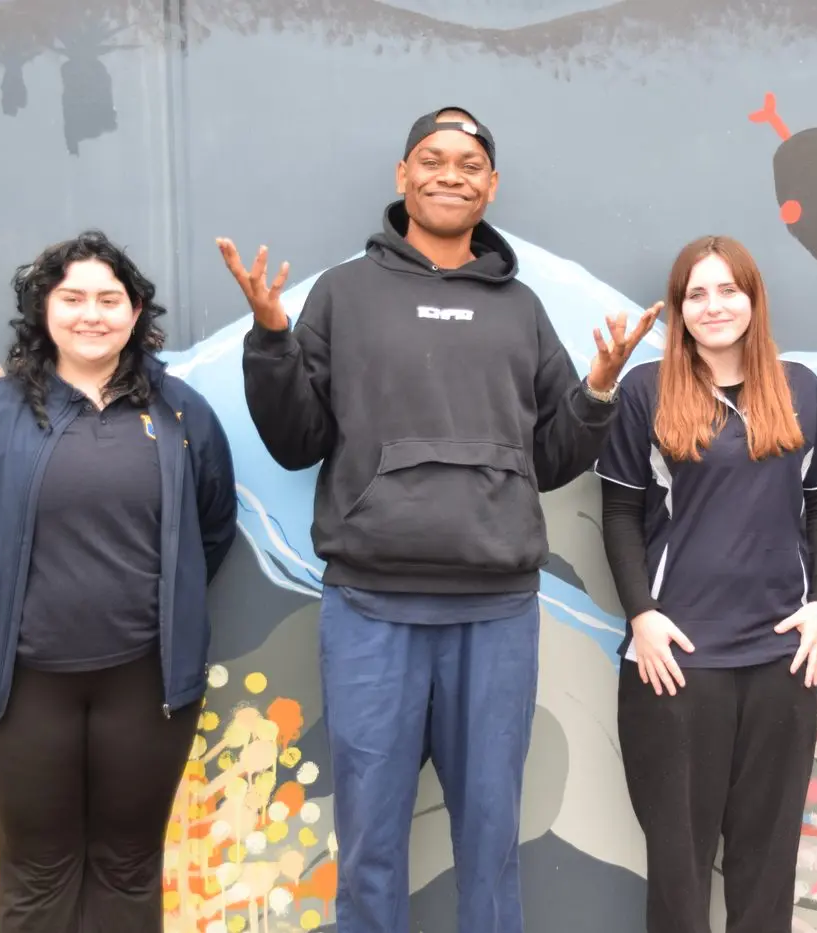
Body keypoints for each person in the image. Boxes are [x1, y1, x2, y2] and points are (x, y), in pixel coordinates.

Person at [218, 107, 658, 933]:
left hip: (494, 612)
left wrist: (597, 389)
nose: (449, 174)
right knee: (370, 841)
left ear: (490, 186)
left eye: (467, 163)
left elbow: (553, 458)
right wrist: (272, 338)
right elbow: (295, 440)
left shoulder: (520, 308)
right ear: (402, 175)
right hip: (371, 609)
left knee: (490, 842)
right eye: (432, 159)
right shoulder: (343, 293)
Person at [0, 231, 238, 933]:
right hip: (23, 682)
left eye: (109, 298)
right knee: (37, 869)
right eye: (72, 298)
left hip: (144, 678)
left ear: (134, 313)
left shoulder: (181, 414)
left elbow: (210, 527)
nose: (90, 314)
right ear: (43, 310)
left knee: (128, 866)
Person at [595, 234, 817, 933]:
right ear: (678, 309)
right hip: (677, 662)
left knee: (765, 869)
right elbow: (618, 512)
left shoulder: (800, 389)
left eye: (727, 289)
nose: (713, 306)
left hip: (779, 660)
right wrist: (641, 615)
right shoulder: (645, 391)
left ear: (752, 298)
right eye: (696, 294)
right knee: (679, 870)